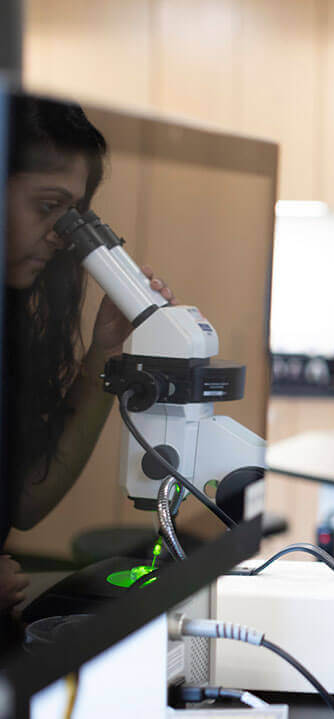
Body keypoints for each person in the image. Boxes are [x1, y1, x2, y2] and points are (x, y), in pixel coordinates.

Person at [1, 96, 173, 610]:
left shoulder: (11, 325)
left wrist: (105, 353)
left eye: (71, 214)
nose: (59, 235)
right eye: (47, 206)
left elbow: (26, 500)